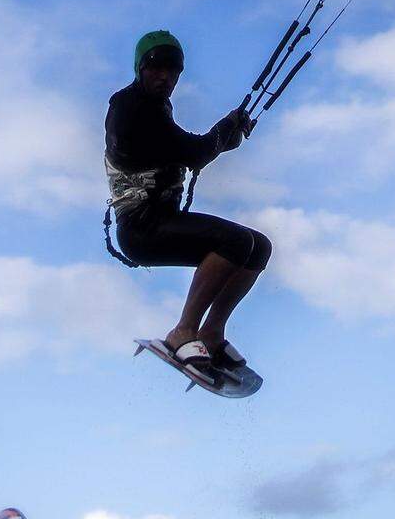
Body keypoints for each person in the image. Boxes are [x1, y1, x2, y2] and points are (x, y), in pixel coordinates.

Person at [104, 30, 272, 385]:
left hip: (163, 220)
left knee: (259, 247)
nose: (165, 77)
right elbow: (193, 152)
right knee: (236, 242)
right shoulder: (129, 107)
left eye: (173, 71)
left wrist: (225, 136)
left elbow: (183, 151)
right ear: (140, 69)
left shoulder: (158, 108)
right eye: (156, 69)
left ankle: (212, 334)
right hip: (141, 229)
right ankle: (183, 332)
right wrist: (225, 129)